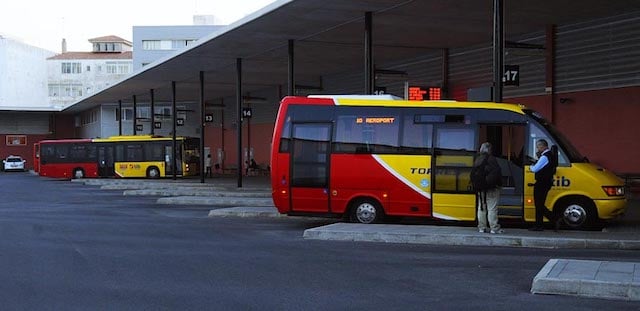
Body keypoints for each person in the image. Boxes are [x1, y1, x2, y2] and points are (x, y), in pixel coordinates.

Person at [528, 139, 560, 231]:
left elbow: (535, 169)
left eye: (538, 147)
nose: (537, 149)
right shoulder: (549, 155)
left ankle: (541, 224)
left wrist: (531, 165)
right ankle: (551, 220)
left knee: (538, 204)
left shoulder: (545, 157)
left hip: (541, 183)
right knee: (540, 204)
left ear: (543, 146)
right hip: (546, 182)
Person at [473, 142, 504, 234]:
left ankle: (481, 227)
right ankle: (494, 228)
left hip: (480, 188)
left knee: (481, 207)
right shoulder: (492, 159)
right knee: (492, 208)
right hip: (492, 188)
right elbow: (497, 173)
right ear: (490, 149)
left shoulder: (477, 159)